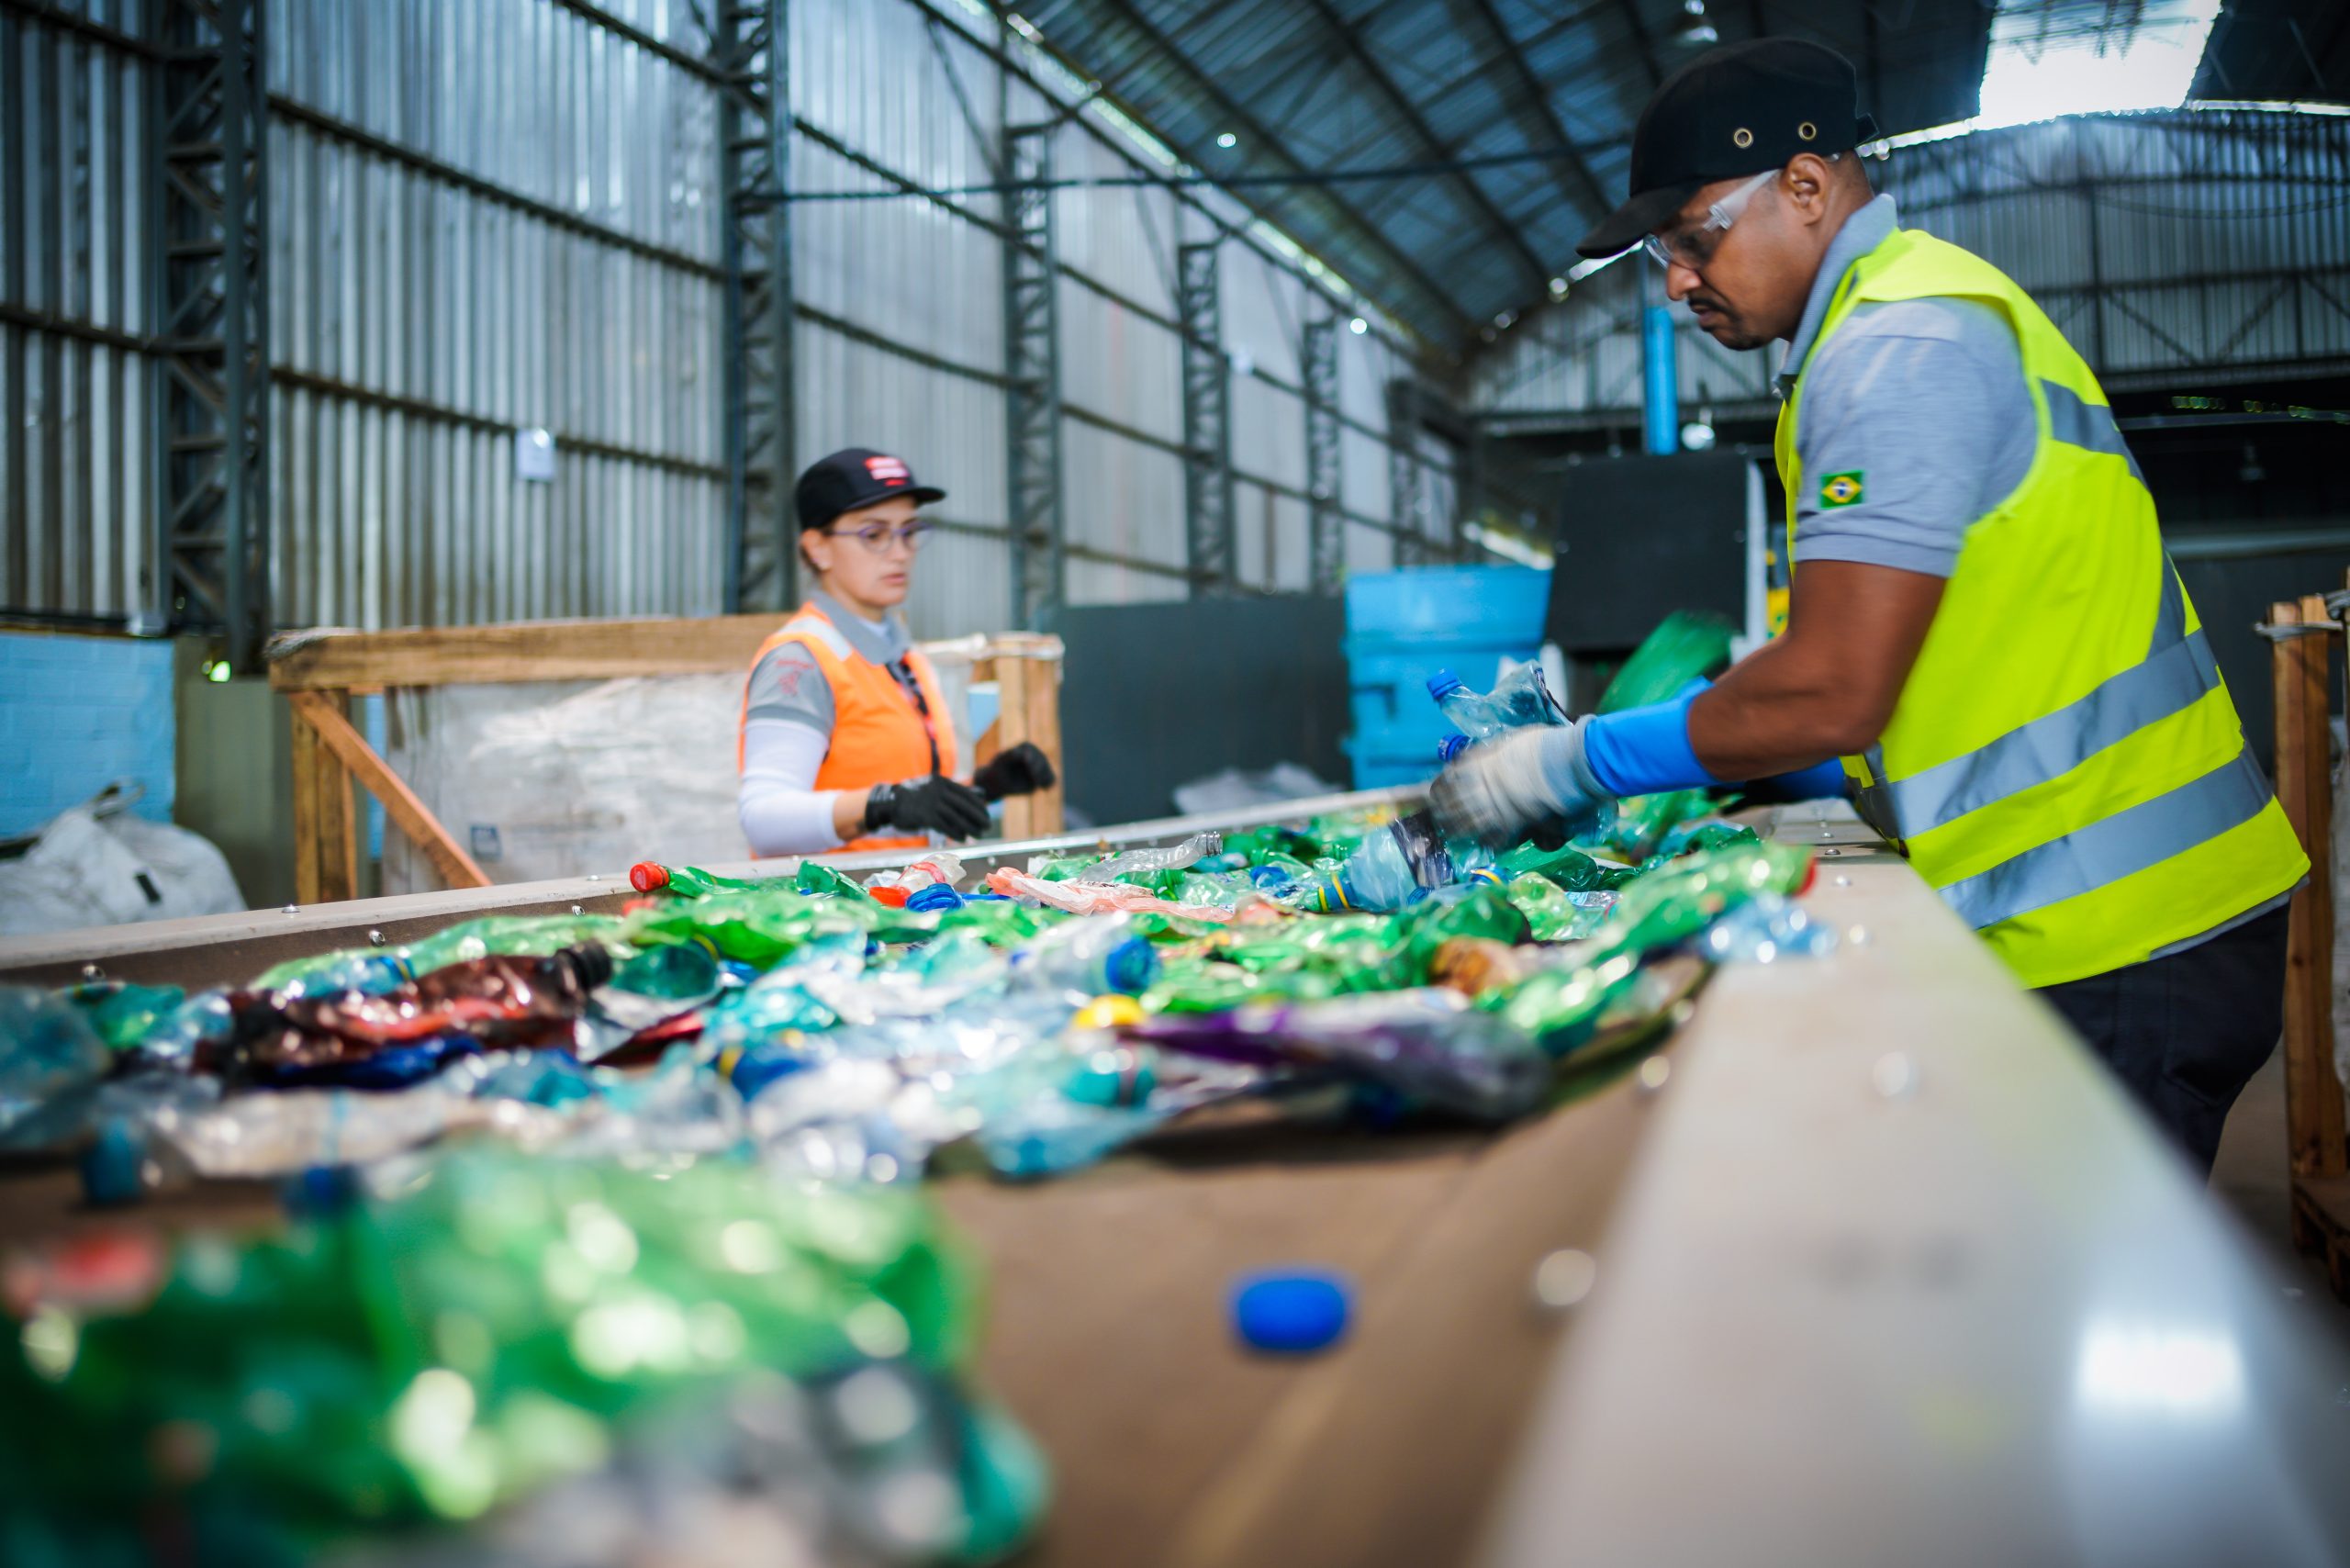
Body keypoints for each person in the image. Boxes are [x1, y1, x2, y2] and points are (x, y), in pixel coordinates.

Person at [1432, 39, 2309, 1176]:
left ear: (1805, 186)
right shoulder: (1895, 322)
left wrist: (1569, 762)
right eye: (1664, 253)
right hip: (2128, 914)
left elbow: (1835, 687)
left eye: (1695, 239)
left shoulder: (1897, 342)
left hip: (2118, 931)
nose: (1676, 283)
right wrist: (1741, 748)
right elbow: (1915, 670)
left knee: (2049, 1321)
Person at [737, 448, 1055, 857]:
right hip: (830, 912)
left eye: (908, 531)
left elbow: (906, 803)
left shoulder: (903, 657)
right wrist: (884, 803)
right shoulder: (801, 660)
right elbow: (764, 822)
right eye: (874, 535)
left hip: (907, 905)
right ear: (818, 548)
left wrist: (984, 786)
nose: (901, 552)